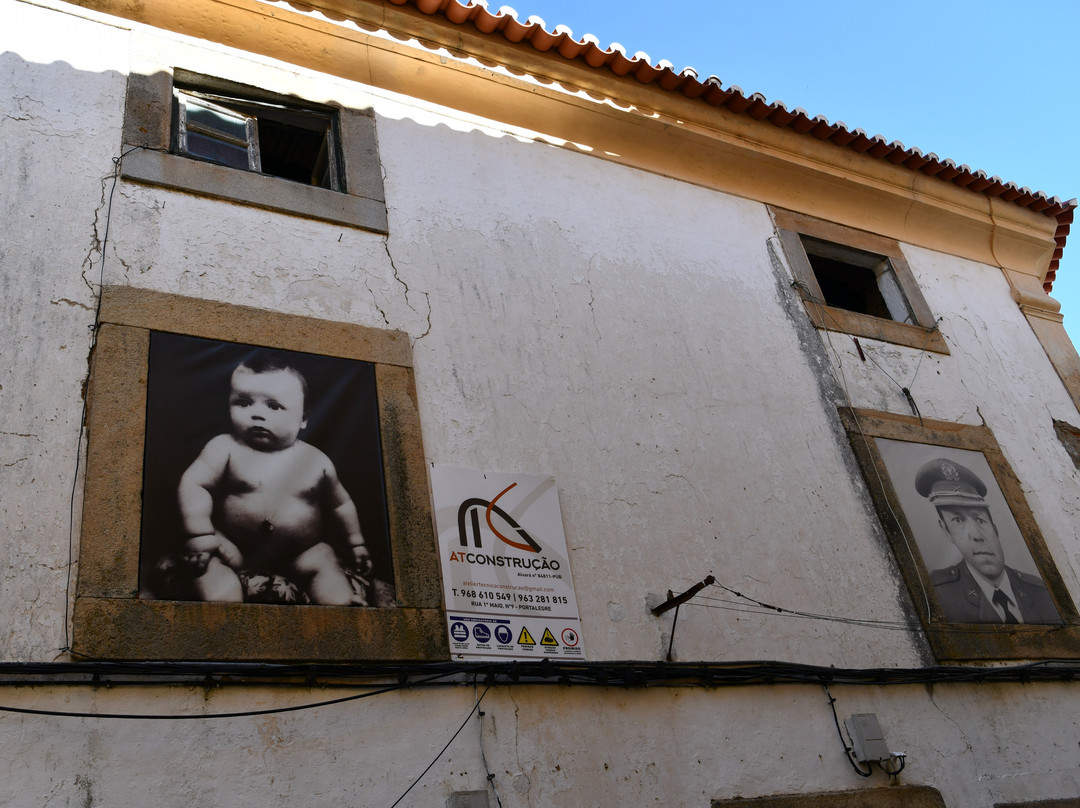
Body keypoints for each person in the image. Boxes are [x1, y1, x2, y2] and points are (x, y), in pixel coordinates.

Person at [176, 352, 372, 605]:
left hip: (299, 555)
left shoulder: (316, 460)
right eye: (244, 402)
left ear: (303, 418)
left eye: (274, 406)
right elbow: (194, 484)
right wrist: (199, 533)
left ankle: (339, 603)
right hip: (234, 551)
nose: (257, 414)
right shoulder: (224, 448)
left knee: (323, 558)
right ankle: (222, 609)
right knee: (207, 564)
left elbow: (340, 504)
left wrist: (356, 544)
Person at [915, 458, 1060, 624]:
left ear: (994, 528)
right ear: (947, 531)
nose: (976, 535)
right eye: (957, 520)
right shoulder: (938, 594)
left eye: (979, 519)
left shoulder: (1040, 591)